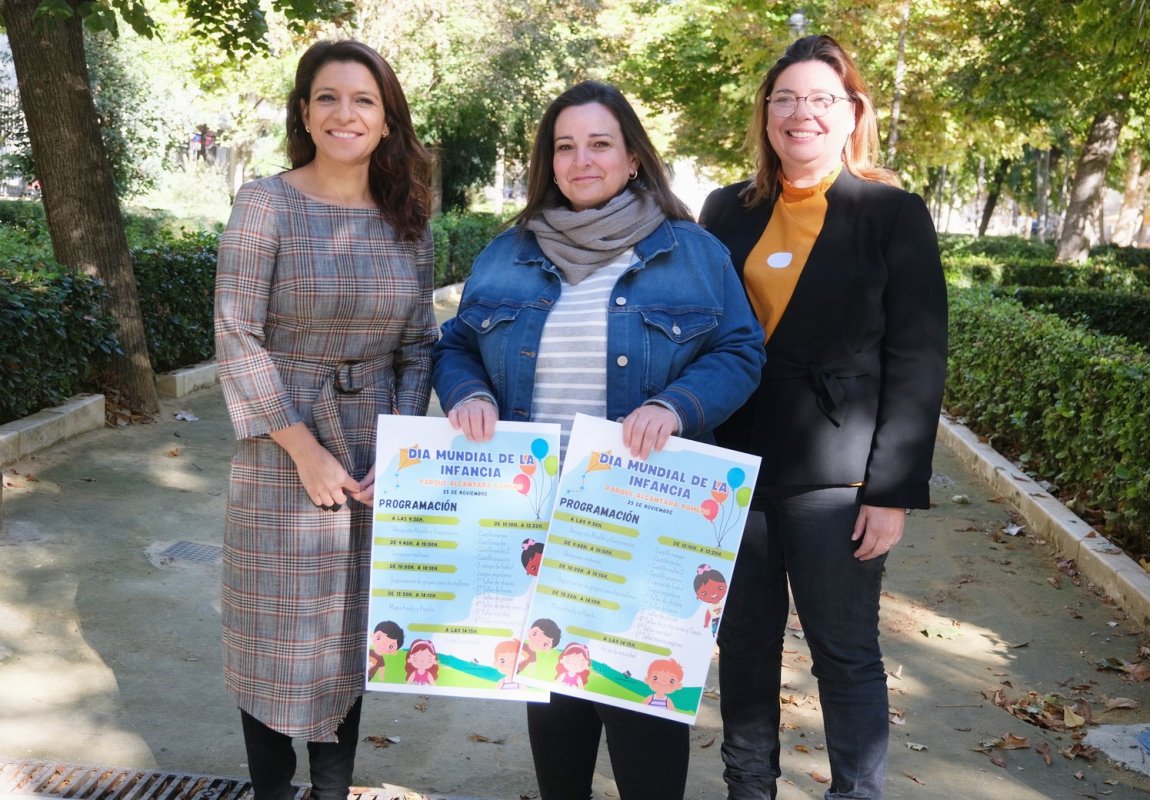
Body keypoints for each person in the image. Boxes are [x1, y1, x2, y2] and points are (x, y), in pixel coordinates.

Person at [432, 80, 765, 800]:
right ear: (548, 163)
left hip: (640, 515)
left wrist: (676, 405)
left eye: (600, 143)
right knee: (554, 700)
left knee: (640, 701)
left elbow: (741, 350)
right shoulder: (506, 253)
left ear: (634, 157)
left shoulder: (692, 253)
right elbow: (455, 343)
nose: (582, 160)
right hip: (534, 516)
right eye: (565, 146)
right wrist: (468, 391)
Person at [699, 35, 948, 800]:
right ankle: (750, 789)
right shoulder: (725, 210)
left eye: (819, 99)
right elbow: (701, 329)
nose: (799, 113)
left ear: (850, 116)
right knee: (742, 647)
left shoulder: (892, 214)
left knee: (844, 653)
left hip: (836, 478)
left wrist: (891, 491)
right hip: (732, 470)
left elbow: (917, 358)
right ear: (765, 116)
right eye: (784, 99)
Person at [214, 39, 435, 800]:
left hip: (374, 449)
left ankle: (333, 790)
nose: (346, 113)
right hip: (282, 444)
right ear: (305, 113)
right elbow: (237, 332)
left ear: (386, 120)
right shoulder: (265, 203)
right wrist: (301, 447)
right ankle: (272, 788)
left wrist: (402, 448)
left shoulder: (409, 221)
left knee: (349, 632)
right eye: (330, 98)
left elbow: (418, 347)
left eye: (364, 100)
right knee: (277, 630)